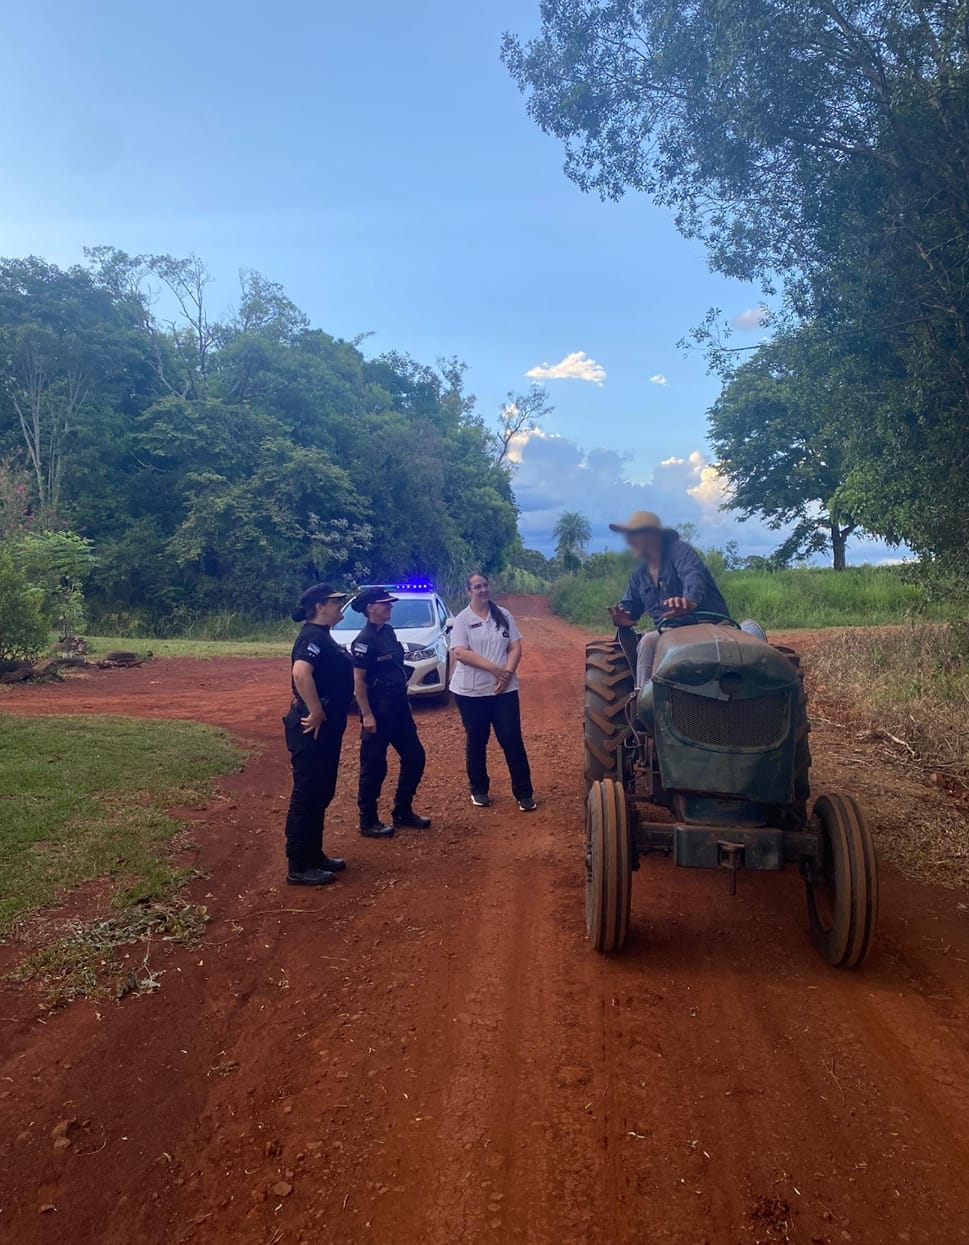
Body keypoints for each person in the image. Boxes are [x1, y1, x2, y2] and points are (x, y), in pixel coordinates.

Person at [606, 510, 765, 686]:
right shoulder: (639, 575)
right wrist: (623, 617)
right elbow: (630, 607)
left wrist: (689, 601)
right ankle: (643, 700)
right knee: (647, 642)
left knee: (753, 639)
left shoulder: (679, 551)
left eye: (634, 534)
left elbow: (693, 575)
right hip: (669, 631)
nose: (629, 540)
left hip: (710, 624)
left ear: (651, 535)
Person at [282, 583, 355, 887]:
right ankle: (299, 864)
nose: (341, 606)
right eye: (336, 602)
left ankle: (314, 854)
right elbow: (301, 673)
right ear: (319, 607)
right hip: (311, 726)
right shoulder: (312, 636)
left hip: (325, 726)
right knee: (308, 793)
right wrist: (316, 710)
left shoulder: (324, 636)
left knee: (322, 791)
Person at [449, 572, 537, 812]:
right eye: (477, 587)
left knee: (511, 739)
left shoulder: (503, 615)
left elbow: (515, 646)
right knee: (477, 739)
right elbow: (460, 652)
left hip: (504, 691)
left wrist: (507, 674)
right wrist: (496, 670)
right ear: (469, 591)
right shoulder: (463, 620)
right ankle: (479, 790)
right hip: (471, 692)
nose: (483, 590)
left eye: (485, 585)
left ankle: (524, 793)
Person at [350, 586, 431, 837]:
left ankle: (403, 811)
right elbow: (359, 682)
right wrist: (366, 714)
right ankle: (368, 820)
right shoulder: (363, 641)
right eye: (385, 604)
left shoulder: (388, 632)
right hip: (377, 711)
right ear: (370, 608)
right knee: (373, 767)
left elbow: (395, 669)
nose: (390, 607)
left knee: (415, 757)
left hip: (398, 707)